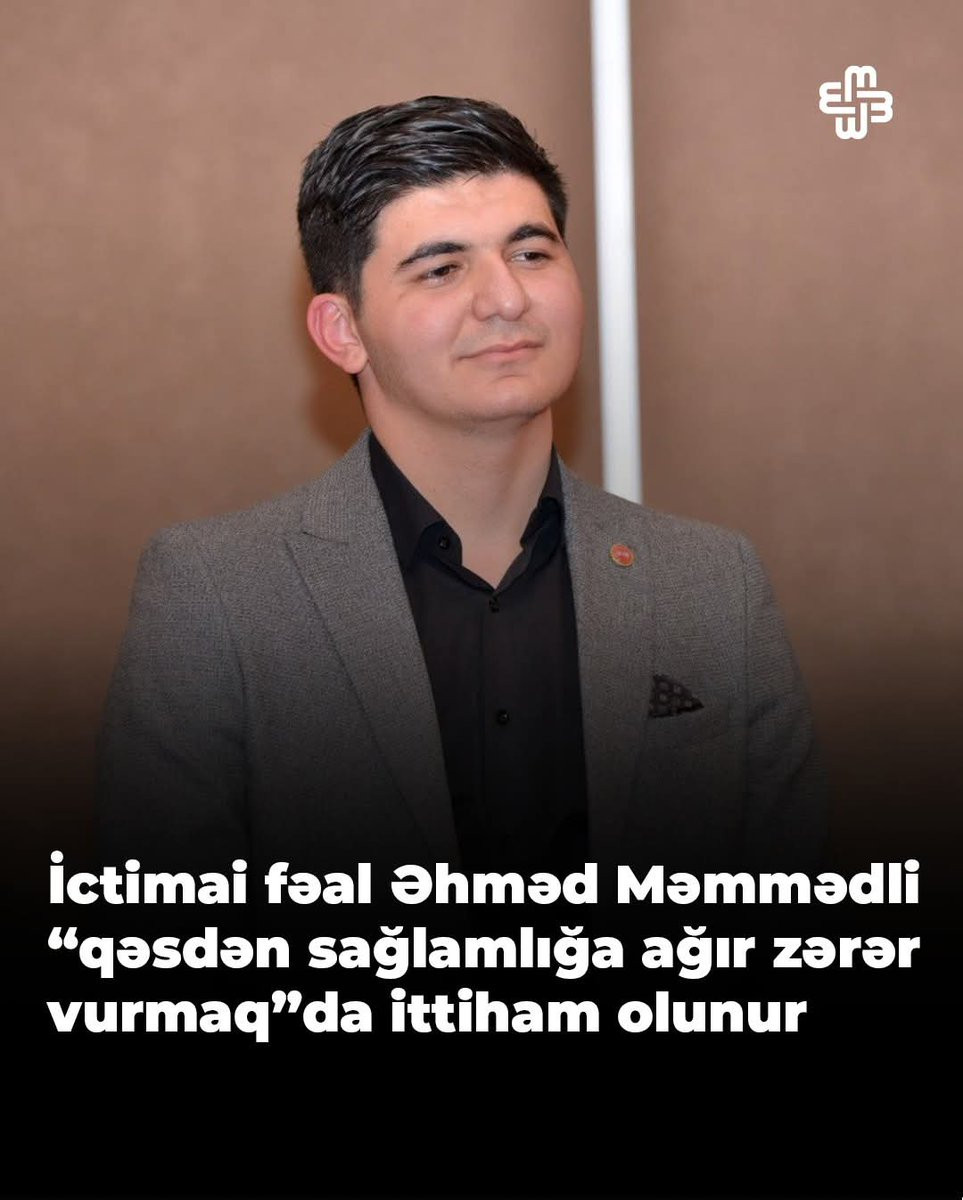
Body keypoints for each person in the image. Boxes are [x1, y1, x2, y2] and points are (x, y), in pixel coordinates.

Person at [98, 95, 824, 878]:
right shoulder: (217, 595)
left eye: (531, 254)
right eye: (442, 269)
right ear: (343, 331)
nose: (506, 299)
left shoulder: (711, 583)